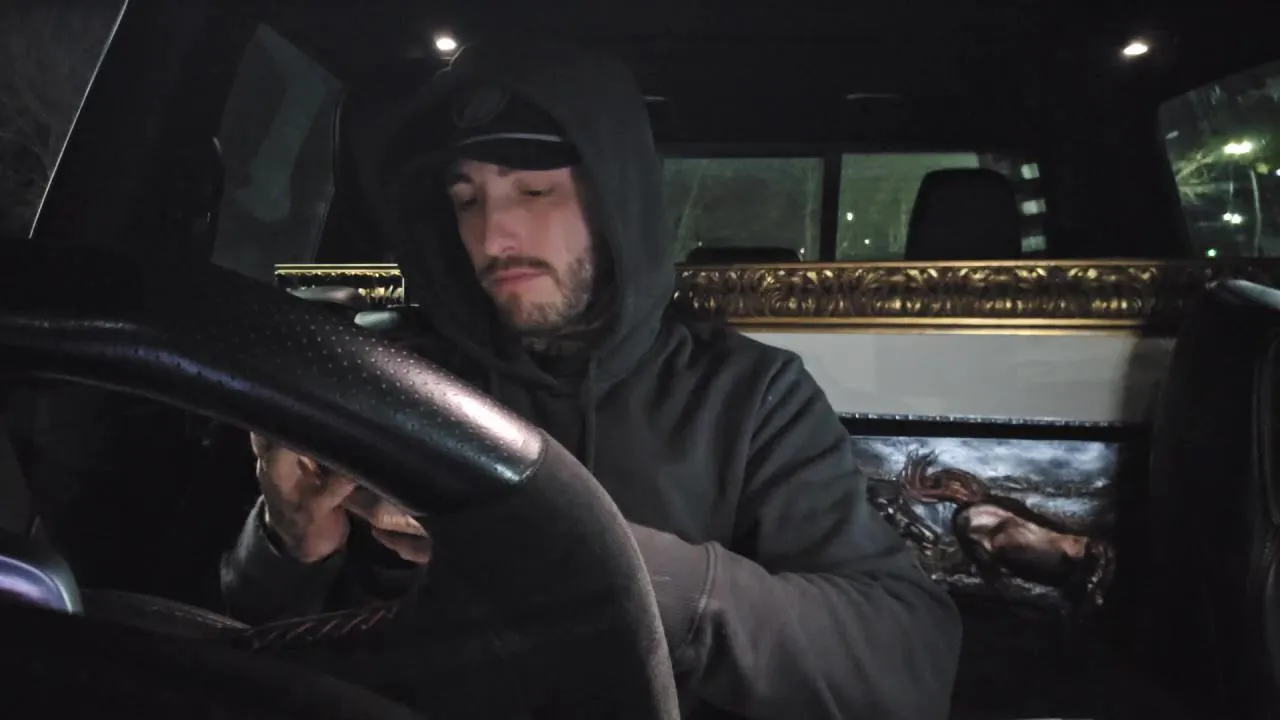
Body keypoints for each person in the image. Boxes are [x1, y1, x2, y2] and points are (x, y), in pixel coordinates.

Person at [220, 37, 962, 720]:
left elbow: (904, 665)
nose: (493, 235)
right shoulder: (401, 379)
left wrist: (608, 563)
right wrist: (289, 547)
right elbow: (245, 650)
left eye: (534, 191)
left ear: (614, 201)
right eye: (466, 199)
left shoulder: (748, 397)